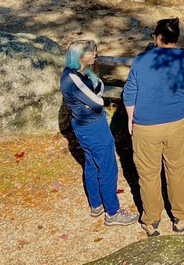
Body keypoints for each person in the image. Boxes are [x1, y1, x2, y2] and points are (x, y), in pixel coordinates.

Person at [123, 17, 184, 237]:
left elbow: (130, 93)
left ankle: (151, 220)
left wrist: (131, 118)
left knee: (148, 175)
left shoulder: (141, 60)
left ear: (159, 37)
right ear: (176, 37)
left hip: (145, 126)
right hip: (175, 123)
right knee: (177, 170)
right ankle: (182, 217)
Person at [60, 40, 138, 227]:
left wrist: (94, 95)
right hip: (93, 128)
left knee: (92, 164)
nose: (95, 54)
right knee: (107, 168)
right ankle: (113, 212)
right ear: (80, 56)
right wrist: (94, 98)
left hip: (86, 126)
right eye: (91, 52)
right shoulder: (73, 79)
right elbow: (97, 103)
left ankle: (96, 204)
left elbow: (98, 90)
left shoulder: (77, 73)